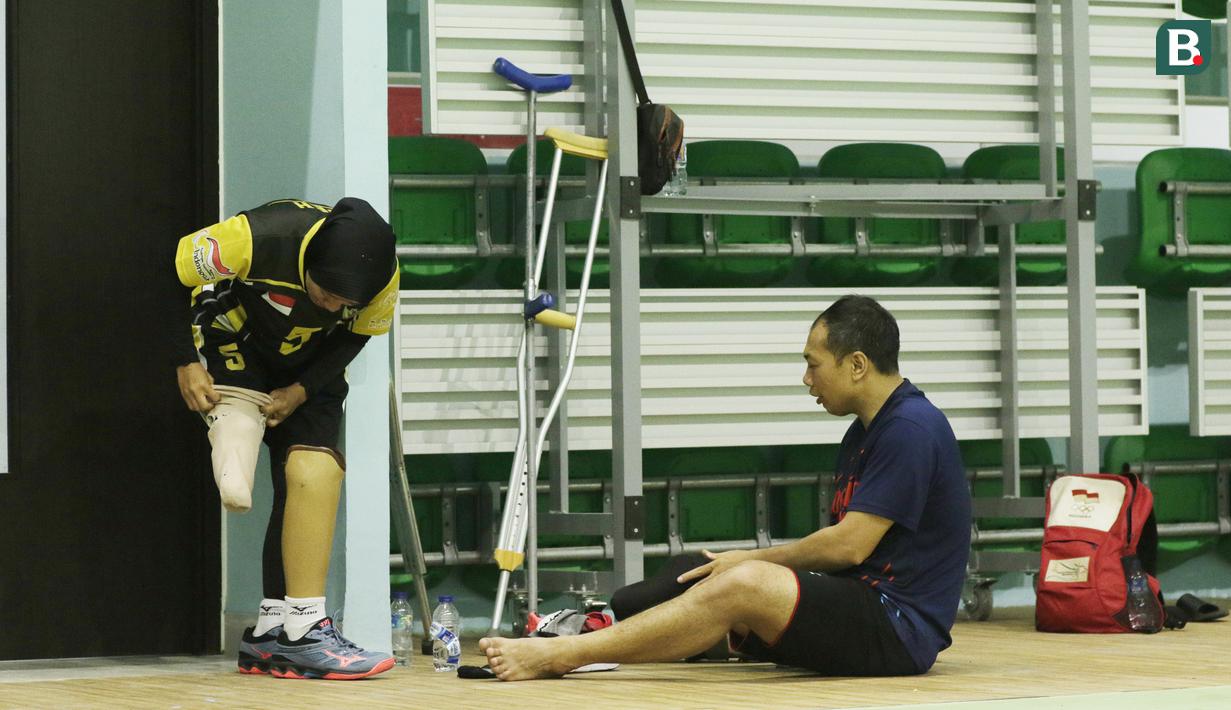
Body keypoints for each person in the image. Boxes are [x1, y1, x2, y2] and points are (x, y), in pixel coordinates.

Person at [479, 295, 971, 680]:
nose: (806, 378)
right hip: (860, 605)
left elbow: (849, 545)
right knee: (690, 575)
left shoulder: (911, 428)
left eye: (814, 363)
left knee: (743, 581)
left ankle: (562, 655)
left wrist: (752, 561)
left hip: (897, 627)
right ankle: (608, 621)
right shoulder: (864, 430)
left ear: (857, 364)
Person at [168, 197, 399, 679]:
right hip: (236, 341)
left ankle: (287, 630)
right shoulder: (256, 237)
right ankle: (293, 632)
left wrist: (302, 390)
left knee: (311, 474)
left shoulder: (381, 276)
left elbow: (355, 336)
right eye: (325, 293)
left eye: (344, 302)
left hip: (310, 365)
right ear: (307, 265)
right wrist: (185, 360)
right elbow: (174, 274)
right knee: (238, 462)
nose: (333, 305)